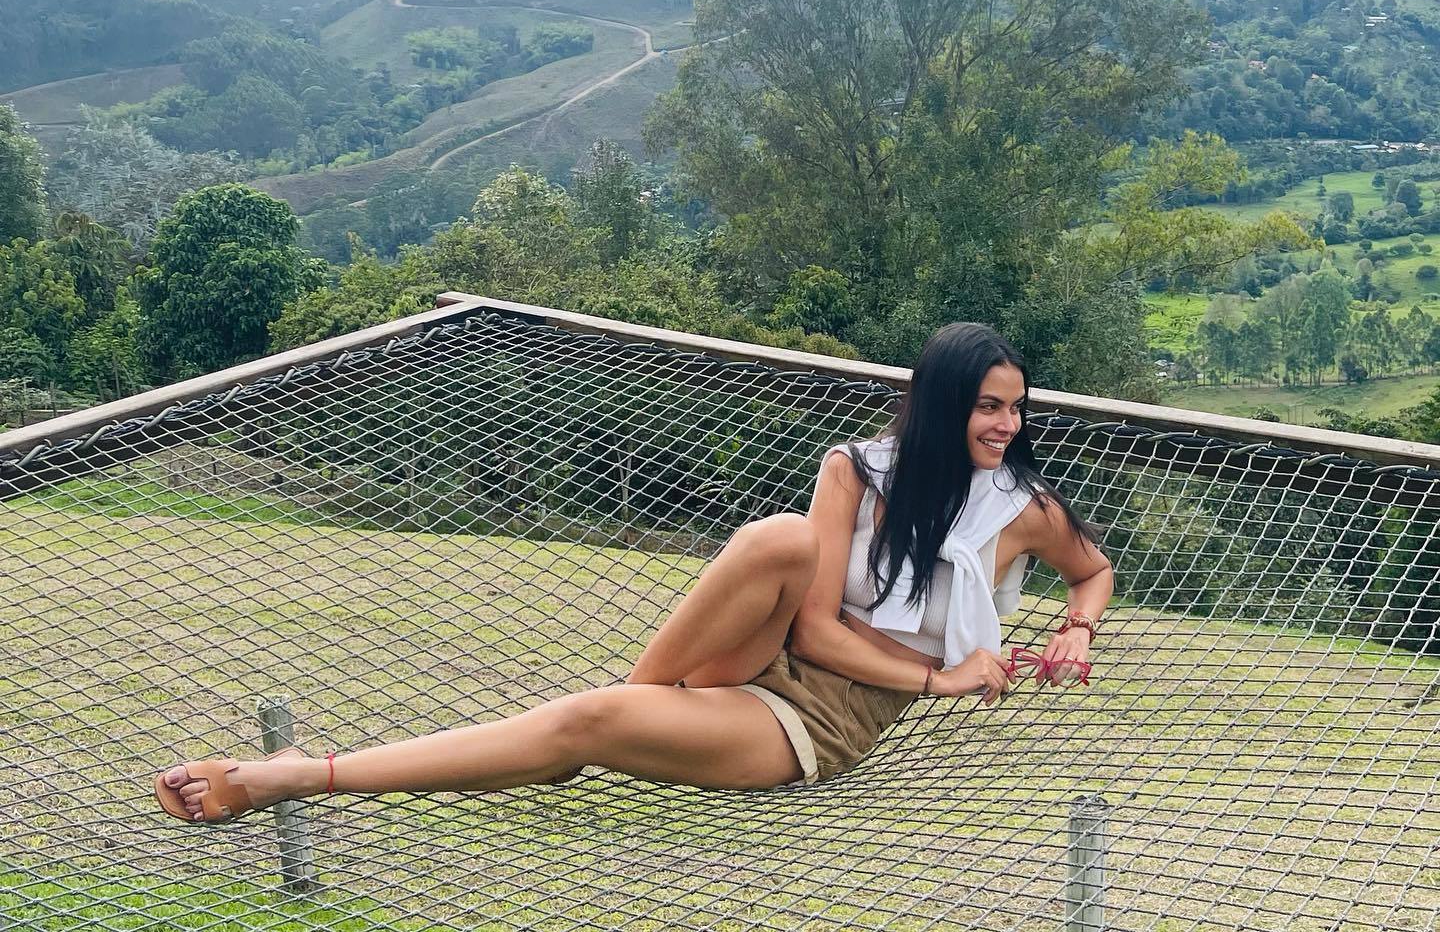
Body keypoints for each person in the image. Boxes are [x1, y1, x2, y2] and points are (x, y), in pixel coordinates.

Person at [155, 322, 1112, 822]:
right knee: (781, 538)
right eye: (988, 407)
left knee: (586, 722)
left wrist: (1076, 626)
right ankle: (626, 712)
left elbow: (1092, 570)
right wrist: (942, 677)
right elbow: (816, 626)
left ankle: (296, 777)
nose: (1007, 426)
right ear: (941, 405)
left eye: (1015, 408)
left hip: (823, 717)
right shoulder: (859, 472)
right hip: (773, 653)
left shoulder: (1020, 509)